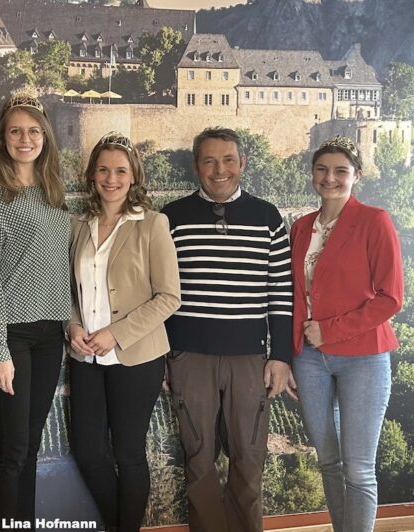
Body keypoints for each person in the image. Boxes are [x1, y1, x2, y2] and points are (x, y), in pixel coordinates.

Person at [160, 127, 296, 532]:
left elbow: (281, 292)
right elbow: (160, 293)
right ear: (196, 167)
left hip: (249, 359)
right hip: (189, 357)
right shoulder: (171, 218)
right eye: (209, 160)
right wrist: (166, 357)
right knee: (198, 459)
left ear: (242, 164)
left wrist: (281, 356)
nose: (219, 170)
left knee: (249, 456)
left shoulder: (268, 217)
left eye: (228, 160)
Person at [67, 132, 181, 532]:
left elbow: (169, 297)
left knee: (129, 454)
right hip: (85, 358)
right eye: (103, 169)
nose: (110, 178)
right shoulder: (78, 225)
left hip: (136, 356)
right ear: (92, 175)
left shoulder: (152, 224)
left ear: (133, 177)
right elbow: (66, 290)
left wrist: (116, 333)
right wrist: (72, 325)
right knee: (87, 451)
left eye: (120, 170)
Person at [0, 93, 70, 527]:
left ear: (44, 136)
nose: (24, 139)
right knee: (11, 450)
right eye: (15, 131)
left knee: (29, 448)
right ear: (2, 139)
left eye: (32, 131)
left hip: (50, 336)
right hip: (10, 335)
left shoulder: (54, 193)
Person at [290, 136, 403, 532]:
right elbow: (294, 295)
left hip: (364, 357)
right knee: (327, 461)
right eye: (322, 169)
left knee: (358, 468)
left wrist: (330, 330)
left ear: (356, 175)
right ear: (312, 175)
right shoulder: (301, 228)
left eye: (340, 171)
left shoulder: (375, 221)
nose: (330, 178)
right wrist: (291, 355)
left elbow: (391, 298)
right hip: (309, 360)